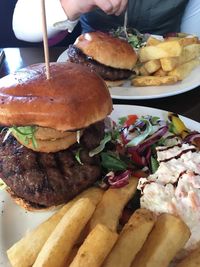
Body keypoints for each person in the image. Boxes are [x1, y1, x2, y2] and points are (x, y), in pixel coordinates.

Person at [12, 0, 200, 46]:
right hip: (90, 75)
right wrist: (74, 3)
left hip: (173, 88)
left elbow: (194, 41)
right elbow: (23, 27)